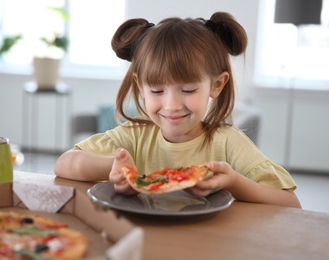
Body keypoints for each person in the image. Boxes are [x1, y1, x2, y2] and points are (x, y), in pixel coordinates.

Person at [54, 12, 302, 208]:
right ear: (140, 86)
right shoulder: (133, 136)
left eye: (188, 90)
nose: (171, 106)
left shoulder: (227, 143)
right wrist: (115, 167)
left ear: (216, 85)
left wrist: (235, 182)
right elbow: (64, 164)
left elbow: (290, 203)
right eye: (157, 91)